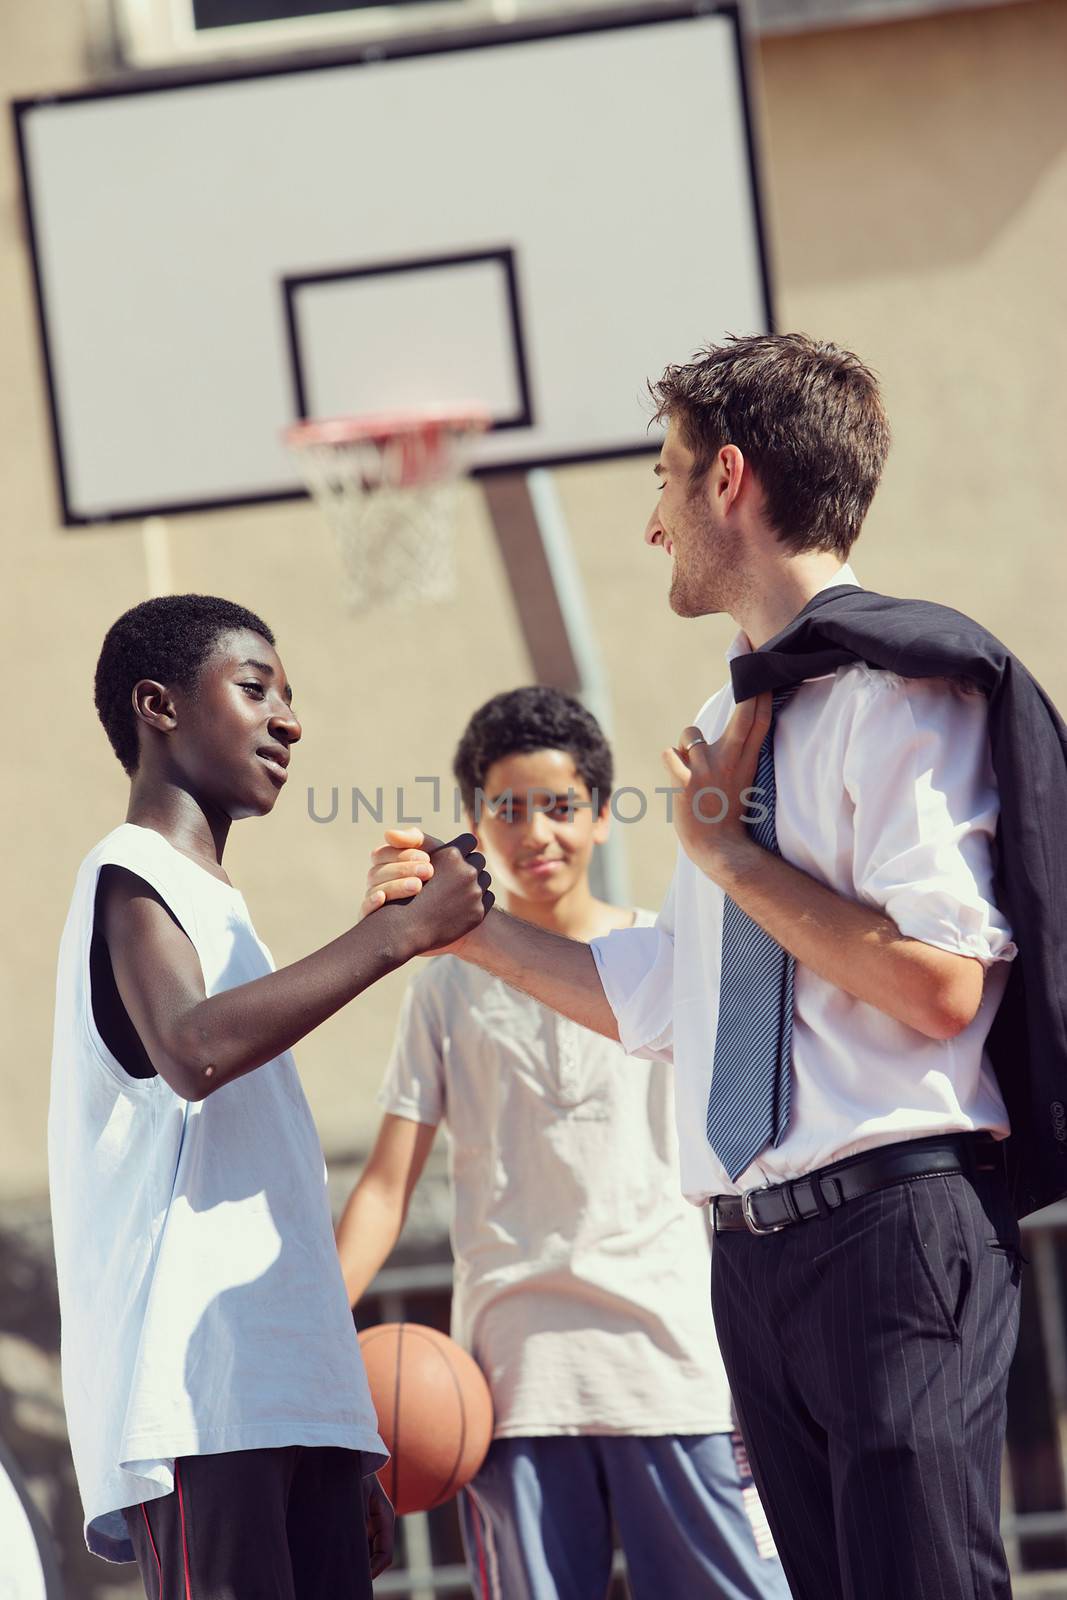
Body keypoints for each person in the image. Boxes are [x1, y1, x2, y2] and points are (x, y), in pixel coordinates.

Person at [365, 334, 1049, 1599]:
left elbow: (941, 986)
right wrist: (460, 926)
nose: (650, 522)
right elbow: (659, 1000)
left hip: (894, 1232)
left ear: (725, 479)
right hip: (752, 1253)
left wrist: (729, 858)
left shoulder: (901, 691)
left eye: (664, 476)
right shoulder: (719, 723)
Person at [49, 594, 492, 1599]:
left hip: (291, 1401)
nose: (289, 719)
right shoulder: (127, 874)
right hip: (201, 1404)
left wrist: (335, 1418)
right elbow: (192, 1048)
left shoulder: (228, 916)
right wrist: (396, 935)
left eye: (289, 697)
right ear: (157, 705)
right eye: (255, 689)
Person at [340, 685, 790, 1600]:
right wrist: (310, 1332)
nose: (535, 832)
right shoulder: (445, 983)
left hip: (672, 1361)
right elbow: (386, 1187)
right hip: (513, 1383)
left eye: (559, 807)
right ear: (473, 823)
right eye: (507, 809)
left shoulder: (661, 954)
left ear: (597, 815)